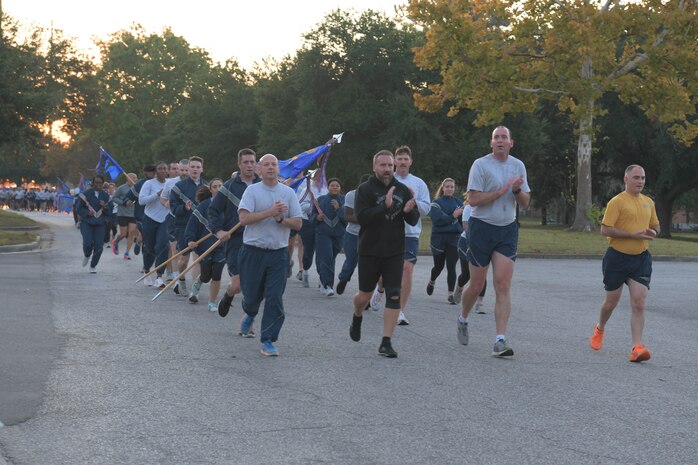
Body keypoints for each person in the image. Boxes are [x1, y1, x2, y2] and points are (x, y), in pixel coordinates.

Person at [457, 126, 530, 357]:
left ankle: (500, 340)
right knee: (477, 285)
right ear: (491, 143)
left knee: (503, 284)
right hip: (481, 229)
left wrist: (517, 190)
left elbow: (526, 203)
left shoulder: (518, 166)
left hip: (507, 230)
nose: (500, 141)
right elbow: (473, 199)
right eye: (496, 138)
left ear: (511, 142)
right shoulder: (480, 165)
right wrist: (500, 192)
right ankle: (463, 317)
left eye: (504, 137)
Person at [349, 150, 419, 358]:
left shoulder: (402, 189)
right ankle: (357, 314)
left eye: (390, 165)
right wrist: (384, 207)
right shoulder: (365, 190)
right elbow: (362, 218)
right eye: (383, 165)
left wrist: (408, 211)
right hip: (370, 251)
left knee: (394, 295)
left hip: (395, 251)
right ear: (374, 167)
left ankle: (386, 342)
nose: (387, 169)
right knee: (364, 296)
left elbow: (413, 220)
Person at [589, 165, 659, 363]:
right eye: (636, 177)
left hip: (641, 258)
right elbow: (605, 230)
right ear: (626, 179)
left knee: (639, 303)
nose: (640, 181)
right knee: (611, 302)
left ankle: (636, 347)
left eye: (643, 178)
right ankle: (600, 328)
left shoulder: (648, 202)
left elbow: (656, 226)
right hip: (617, 257)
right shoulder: (617, 202)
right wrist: (631, 235)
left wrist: (653, 232)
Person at [237, 154, 302, 356]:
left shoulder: (288, 193)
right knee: (251, 295)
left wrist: (281, 218)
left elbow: (298, 223)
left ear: (278, 168)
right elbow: (244, 219)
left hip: (278, 253)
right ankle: (250, 312)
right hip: (252, 252)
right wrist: (269, 212)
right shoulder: (252, 191)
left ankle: (267, 340)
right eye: (266, 165)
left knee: (274, 297)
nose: (271, 168)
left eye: (274, 164)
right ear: (259, 169)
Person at [371, 145, 430, 326]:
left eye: (406, 159)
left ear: (411, 162)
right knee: (385, 272)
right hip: (388, 231)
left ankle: (399, 310)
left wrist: (414, 201)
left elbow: (427, 208)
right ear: (394, 161)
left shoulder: (419, 183)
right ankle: (380, 288)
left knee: (407, 269)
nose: (403, 162)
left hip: (410, 233)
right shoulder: (387, 180)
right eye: (400, 159)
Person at [208, 148, 261, 318]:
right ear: (239, 164)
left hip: (258, 239)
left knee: (253, 285)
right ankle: (229, 294)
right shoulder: (228, 187)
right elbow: (213, 210)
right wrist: (218, 231)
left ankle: (248, 321)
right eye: (245, 162)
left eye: (252, 162)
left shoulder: (263, 185)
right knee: (237, 285)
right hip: (236, 240)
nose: (249, 165)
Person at [185, 178, 225, 313]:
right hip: (205, 246)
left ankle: (212, 302)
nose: (218, 189)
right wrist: (190, 240)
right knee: (206, 275)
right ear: (211, 189)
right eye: (215, 186)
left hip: (221, 245)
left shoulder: (229, 206)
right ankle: (198, 282)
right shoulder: (203, 206)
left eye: (221, 186)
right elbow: (192, 224)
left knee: (217, 274)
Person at [169, 156, 207, 296]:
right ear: (188, 169)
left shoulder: (207, 187)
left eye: (198, 167)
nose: (195, 169)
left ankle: (194, 291)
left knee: (198, 260)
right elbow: (173, 208)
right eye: (193, 167)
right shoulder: (179, 187)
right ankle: (181, 279)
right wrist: (184, 208)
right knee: (183, 259)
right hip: (183, 226)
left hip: (201, 228)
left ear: (202, 169)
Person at [427, 178, 464, 304]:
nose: (449, 189)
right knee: (438, 266)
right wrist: (452, 217)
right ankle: (432, 280)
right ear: (443, 188)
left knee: (451, 266)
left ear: (454, 189)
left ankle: (450, 294)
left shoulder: (459, 203)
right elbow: (437, 221)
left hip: (454, 239)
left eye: (452, 187)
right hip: (438, 239)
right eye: (447, 187)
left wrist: (452, 223)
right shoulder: (436, 203)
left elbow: (461, 224)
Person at [336, 174, 372, 295]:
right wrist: (366, 219)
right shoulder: (351, 195)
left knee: (367, 266)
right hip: (352, 234)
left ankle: (365, 292)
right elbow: (348, 216)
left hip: (369, 235)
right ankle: (344, 279)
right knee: (351, 261)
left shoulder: (376, 196)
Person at [311, 178, 346, 296]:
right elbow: (311, 215)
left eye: (337, 185)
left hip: (338, 235)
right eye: (332, 185)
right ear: (328, 187)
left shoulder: (344, 200)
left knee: (330, 258)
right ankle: (327, 285)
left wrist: (338, 208)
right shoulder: (320, 200)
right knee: (327, 257)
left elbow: (347, 218)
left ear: (340, 188)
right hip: (323, 234)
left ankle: (323, 278)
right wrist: (316, 218)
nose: (335, 187)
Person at [453, 192, 487, 312]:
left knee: (481, 273)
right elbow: (466, 227)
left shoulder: (486, 209)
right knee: (466, 275)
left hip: (482, 243)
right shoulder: (468, 208)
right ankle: (460, 286)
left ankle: (479, 302)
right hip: (466, 242)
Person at [138, 162, 171, 288]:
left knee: (162, 245)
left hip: (165, 220)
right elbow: (141, 201)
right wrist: (157, 194)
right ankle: (147, 271)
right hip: (150, 219)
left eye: (165, 169)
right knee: (150, 248)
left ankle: (159, 276)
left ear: (167, 171)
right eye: (160, 169)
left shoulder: (170, 183)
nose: (163, 171)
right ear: (156, 172)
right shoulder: (149, 183)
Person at [297, 169, 328, 288]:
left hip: (322, 222)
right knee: (309, 250)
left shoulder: (326, 190)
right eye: (318, 176)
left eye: (322, 176)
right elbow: (301, 205)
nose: (320, 178)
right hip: (308, 222)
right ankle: (305, 270)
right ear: (313, 177)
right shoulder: (307, 190)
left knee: (322, 251)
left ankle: (323, 279)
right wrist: (313, 207)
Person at [75, 175, 110, 273]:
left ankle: (93, 265)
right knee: (88, 243)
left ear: (103, 184)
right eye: (96, 182)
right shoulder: (85, 194)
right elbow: (78, 208)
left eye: (100, 183)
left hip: (100, 224)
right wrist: (86, 213)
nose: (98, 184)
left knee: (99, 246)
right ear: (93, 183)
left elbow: (110, 211)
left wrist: (105, 207)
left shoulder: (106, 196)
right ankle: (87, 255)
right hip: (87, 223)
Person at [111, 173, 139, 260]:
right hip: (122, 213)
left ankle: (126, 253)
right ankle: (115, 242)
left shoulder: (138, 188)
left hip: (133, 213)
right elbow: (114, 198)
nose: (136, 179)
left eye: (136, 177)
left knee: (132, 233)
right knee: (123, 234)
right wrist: (123, 202)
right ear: (128, 178)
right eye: (134, 177)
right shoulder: (122, 188)